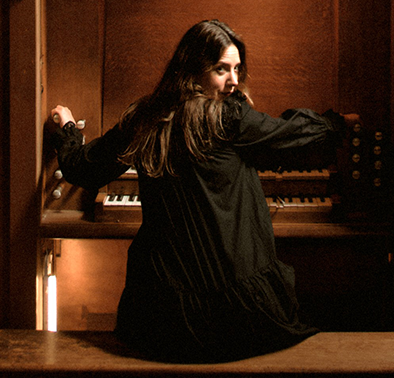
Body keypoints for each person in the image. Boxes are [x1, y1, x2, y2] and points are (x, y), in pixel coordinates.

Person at [51, 20, 352, 363]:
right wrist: (339, 123)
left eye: (237, 69)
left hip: (164, 323)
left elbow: (84, 168)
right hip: (239, 321)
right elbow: (300, 133)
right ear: (193, 70)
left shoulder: (145, 117)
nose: (234, 81)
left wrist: (69, 128)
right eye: (221, 69)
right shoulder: (232, 118)